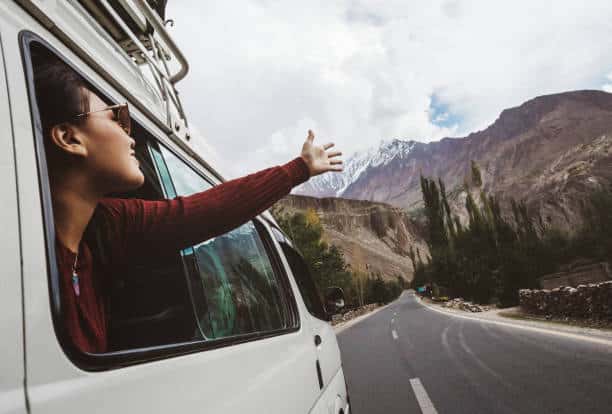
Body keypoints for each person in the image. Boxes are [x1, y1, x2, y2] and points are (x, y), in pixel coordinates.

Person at [32, 47, 343, 353]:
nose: (131, 135)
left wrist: (299, 169)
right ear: (69, 138)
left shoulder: (106, 225)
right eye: (115, 117)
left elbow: (207, 210)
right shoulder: (27, 257)